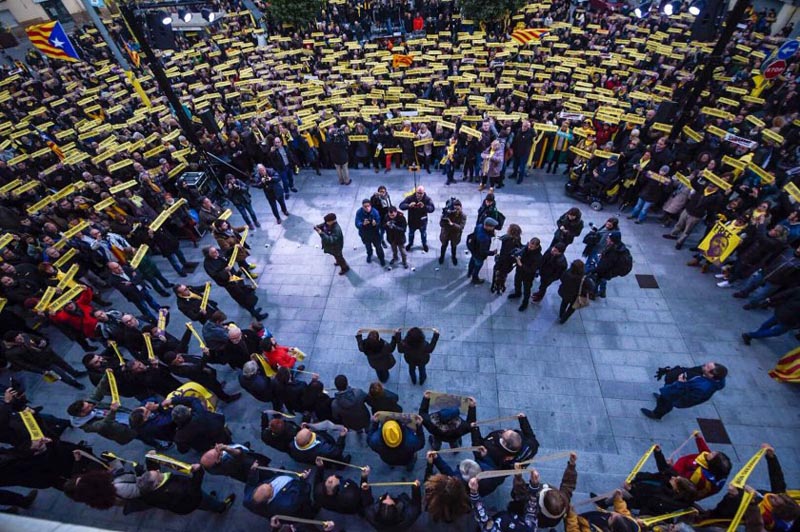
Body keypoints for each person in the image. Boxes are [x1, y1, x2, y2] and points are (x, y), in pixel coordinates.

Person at [616, 443, 697, 515]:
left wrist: (631, 489)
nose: (673, 477)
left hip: (637, 497)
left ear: (678, 489)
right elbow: (664, 468)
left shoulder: (665, 498)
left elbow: (646, 499)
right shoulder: (673, 479)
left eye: (675, 480)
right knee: (618, 495)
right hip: (639, 484)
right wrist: (658, 453)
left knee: (618, 495)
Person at [65, 372, 137, 445]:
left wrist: (107, 375)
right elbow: (103, 424)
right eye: (88, 407)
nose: (91, 404)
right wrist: (112, 411)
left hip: (127, 415)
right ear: (82, 414)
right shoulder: (87, 426)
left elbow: (99, 390)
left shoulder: (89, 403)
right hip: (124, 429)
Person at [135, 463, 234, 515]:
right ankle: (220, 508)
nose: (158, 470)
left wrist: (151, 458)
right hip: (192, 499)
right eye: (159, 474)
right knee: (205, 501)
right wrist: (198, 471)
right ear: (157, 484)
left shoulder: (146, 490)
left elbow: (151, 476)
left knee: (203, 505)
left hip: (181, 506)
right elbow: (194, 486)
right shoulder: (175, 489)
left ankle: (210, 505)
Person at [641, 362, 728, 420]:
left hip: (676, 393)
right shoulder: (707, 375)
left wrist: (680, 384)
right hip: (675, 388)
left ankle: (657, 414)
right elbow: (690, 370)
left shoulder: (703, 388)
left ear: (711, 375)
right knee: (664, 398)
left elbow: (686, 398)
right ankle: (663, 398)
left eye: (707, 367)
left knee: (666, 402)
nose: (703, 366)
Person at [1, 331, 86, 389]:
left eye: (19, 336)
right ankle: (74, 383)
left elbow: (36, 338)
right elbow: (25, 365)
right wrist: (40, 371)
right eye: (18, 339)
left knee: (64, 364)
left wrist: (42, 341)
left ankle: (75, 373)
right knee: (60, 375)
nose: (21, 338)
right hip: (42, 365)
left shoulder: (24, 335)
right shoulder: (11, 353)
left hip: (48, 354)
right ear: (13, 341)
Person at [202, 246, 268, 320]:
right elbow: (217, 276)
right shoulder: (208, 265)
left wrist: (234, 248)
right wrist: (225, 271)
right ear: (208, 255)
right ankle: (256, 315)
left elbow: (226, 253)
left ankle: (253, 311)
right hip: (229, 283)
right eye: (213, 252)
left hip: (235, 277)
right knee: (242, 298)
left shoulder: (218, 252)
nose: (217, 252)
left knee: (246, 292)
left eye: (216, 251)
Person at [470, 471, 542, 532]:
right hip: (512, 517)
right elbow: (531, 513)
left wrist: (474, 493)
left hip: (500, 519)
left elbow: (484, 521)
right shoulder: (529, 529)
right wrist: (534, 486)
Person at [244, 460, 314, 519]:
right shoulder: (285, 504)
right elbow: (302, 493)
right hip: (293, 487)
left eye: (266, 484)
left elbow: (250, 483)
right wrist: (303, 480)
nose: (270, 484)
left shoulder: (249, 496)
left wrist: (253, 471)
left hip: (279, 478)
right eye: (271, 487)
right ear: (270, 497)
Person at [671, 432, 732, 499]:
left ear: (712, 463)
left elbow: (683, 480)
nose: (712, 452)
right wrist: (699, 439)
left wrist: (670, 468)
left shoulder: (699, 476)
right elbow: (705, 451)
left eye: (713, 454)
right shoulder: (716, 469)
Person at [470, 413, 539, 469]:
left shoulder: (494, 452)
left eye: (502, 435)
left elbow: (478, 446)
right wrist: (523, 420)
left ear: (505, 444)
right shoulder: (532, 445)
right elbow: (530, 435)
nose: (504, 430)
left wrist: (474, 430)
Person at [200, 443, 271, 483]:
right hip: (250, 468)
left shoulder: (210, 468)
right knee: (266, 474)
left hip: (240, 472)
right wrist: (226, 448)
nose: (219, 449)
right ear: (218, 460)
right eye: (218, 452)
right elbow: (239, 454)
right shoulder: (228, 465)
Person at [590, 232, 632, 299]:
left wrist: (593, 270)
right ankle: (602, 292)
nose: (607, 239)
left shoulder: (613, 253)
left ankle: (593, 293)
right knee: (603, 279)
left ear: (612, 241)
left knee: (597, 280)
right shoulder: (619, 246)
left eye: (608, 238)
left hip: (607, 271)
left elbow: (602, 267)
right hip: (610, 271)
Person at [509, 238, 543, 312]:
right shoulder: (526, 247)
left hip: (528, 276)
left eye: (532, 247)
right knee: (517, 283)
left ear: (537, 247)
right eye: (529, 245)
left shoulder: (538, 257)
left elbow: (532, 270)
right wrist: (519, 256)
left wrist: (521, 265)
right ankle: (517, 293)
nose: (529, 247)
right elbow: (523, 252)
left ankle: (525, 303)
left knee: (526, 290)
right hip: (519, 272)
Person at [399, 186, 435, 252]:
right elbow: (401, 206)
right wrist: (408, 205)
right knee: (411, 234)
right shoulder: (410, 198)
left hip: (422, 222)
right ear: (416, 192)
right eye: (418, 193)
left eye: (421, 193)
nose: (419, 195)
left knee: (423, 234)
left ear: (424, 193)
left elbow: (432, 208)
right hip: (412, 221)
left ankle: (424, 244)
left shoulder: (427, 199)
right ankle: (410, 243)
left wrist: (424, 207)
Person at [557, 259, 594, 324]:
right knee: (571, 309)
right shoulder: (584, 279)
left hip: (566, 293)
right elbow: (591, 287)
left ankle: (561, 315)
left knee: (563, 304)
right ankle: (563, 320)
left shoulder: (567, 272)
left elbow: (562, 278)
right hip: (576, 297)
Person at [491, 223, 523, 294]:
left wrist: (497, 261)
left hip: (503, 263)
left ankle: (496, 286)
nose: (507, 228)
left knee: (498, 275)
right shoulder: (517, 238)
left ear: (511, 231)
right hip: (508, 264)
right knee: (503, 275)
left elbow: (504, 254)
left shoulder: (507, 241)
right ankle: (501, 285)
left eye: (509, 228)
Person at [467, 217, 499, 285]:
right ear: (487, 226)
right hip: (479, 255)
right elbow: (483, 251)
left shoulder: (479, 226)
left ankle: (469, 272)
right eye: (492, 227)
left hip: (474, 249)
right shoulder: (484, 238)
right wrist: (493, 252)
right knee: (478, 265)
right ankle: (475, 278)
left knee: (472, 261)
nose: (493, 228)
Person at [355, 199, 386, 266]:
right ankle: (369, 255)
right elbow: (357, 223)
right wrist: (362, 224)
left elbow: (379, 222)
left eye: (368, 206)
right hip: (365, 234)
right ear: (362, 206)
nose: (367, 208)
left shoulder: (375, 212)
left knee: (378, 247)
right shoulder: (359, 212)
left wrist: (376, 224)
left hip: (375, 234)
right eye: (365, 206)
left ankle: (381, 258)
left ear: (371, 205)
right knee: (368, 246)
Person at [439, 198, 467, 266]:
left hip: (455, 235)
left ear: (461, 208)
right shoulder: (448, 213)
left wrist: (452, 224)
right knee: (443, 246)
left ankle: (453, 257)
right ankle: (442, 257)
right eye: (455, 209)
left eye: (458, 209)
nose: (456, 211)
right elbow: (441, 224)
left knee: (454, 247)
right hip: (446, 234)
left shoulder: (463, 216)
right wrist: (444, 218)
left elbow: (461, 227)